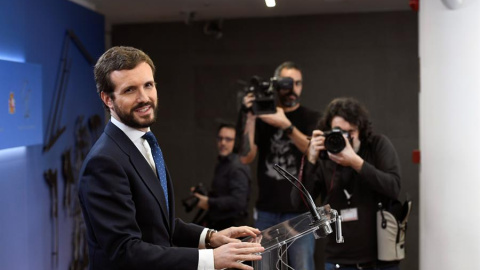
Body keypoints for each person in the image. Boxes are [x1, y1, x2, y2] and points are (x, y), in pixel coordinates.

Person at [78, 46, 264, 270]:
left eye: (148, 85)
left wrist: (210, 237)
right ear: (108, 99)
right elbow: (125, 251)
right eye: (130, 90)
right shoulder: (104, 162)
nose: (144, 98)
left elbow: (158, 224)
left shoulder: (146, 141)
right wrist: (210, 259)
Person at [294, 97, 401, 270]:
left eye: (350, 132)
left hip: (379, 259)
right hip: (338, 259)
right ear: (328, 131)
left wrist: (356, 162)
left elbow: (393, 188)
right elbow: (298, 203)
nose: (344, 137)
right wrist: (311, 159)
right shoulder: (324, 157)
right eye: (337, 131)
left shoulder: (377, 146)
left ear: (360, 129)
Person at [238, 61, 320, 270]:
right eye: (287, 83)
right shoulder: (261, 116)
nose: (293, 89)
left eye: (298, 83)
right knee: (264, 267)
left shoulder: (310, 117)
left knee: (303, 266)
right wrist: (250, 117)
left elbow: (314, 151)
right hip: (267, 210)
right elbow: (246, 157)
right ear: (275, 85)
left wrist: (286, 124)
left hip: (301, 211)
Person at [192, 123, 251, 231]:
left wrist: (209, 202)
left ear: (236, 142)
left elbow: (239, 202)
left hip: (232, 227)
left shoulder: (237, 167)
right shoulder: (223, 162)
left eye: (228, 139)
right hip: (219, 224)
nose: (223, 143)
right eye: (220, 138)